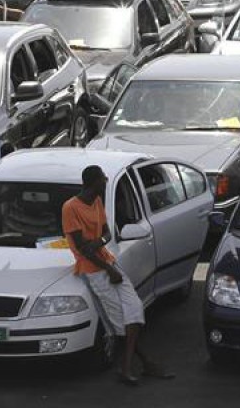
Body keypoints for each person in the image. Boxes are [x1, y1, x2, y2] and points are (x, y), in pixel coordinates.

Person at [62, 165, 173, 386]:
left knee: (134, 309)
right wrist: (108, 267)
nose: (105, 181)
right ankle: (135, 365)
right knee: (119, 322)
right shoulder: (70, 207)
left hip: (107, 262)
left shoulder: (97, 202)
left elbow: (106, 233)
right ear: (93, 182)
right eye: (103, 178)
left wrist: (99, 245)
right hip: (93, 270)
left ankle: (134, 364)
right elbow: (82, 249)